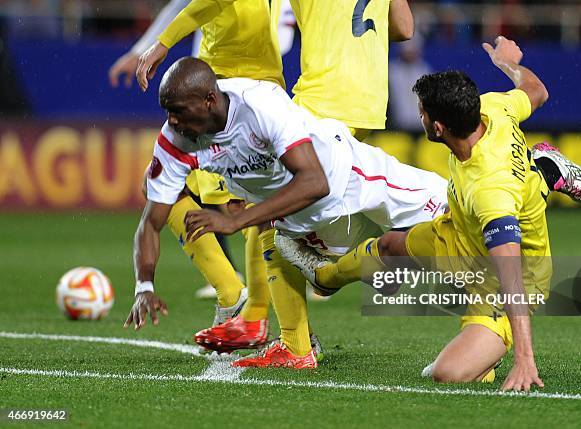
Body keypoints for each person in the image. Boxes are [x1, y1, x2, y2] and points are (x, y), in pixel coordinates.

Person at [279, 36, 580, 391]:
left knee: (447, 373)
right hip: (460, 233)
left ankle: (486, 357)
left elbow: (511, 271)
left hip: (505, 280)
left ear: (437, 128)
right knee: (391, 247)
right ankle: (324, 276)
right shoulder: (493, 108)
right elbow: (537, 90)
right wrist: (507, 64)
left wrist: (525, 360)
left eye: (421, 111)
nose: (418, 115)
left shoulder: (489, 191)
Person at [129, 0, 416, 355]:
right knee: (290, 207)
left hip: (306, 93)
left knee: (271, 207)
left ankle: (275, 323)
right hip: (370, 100)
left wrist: (161, 41)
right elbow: (404, 28)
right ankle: (316, 286)